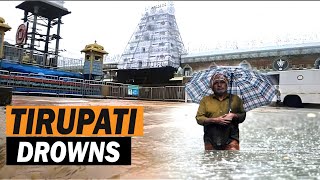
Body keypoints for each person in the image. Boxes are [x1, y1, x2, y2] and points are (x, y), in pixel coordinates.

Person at [195, 73, 246, 150]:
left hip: (231, 137)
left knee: (232, 158)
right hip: (211, 138)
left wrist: (233, 115)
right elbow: (199, 118)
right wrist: (215, 120)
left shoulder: (236, 99)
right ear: (212, 87)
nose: (219, 85)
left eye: (222, 82)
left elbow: (242, 116)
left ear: (227, 85)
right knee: (210, 159)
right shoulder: (205, 100)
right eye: (216, 83)